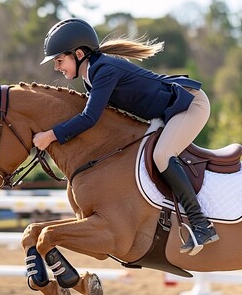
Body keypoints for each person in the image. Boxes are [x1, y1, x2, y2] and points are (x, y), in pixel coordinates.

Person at [34, 18, 219, 256]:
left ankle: (201, 224)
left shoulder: (104, 71)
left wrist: (50, 135)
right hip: (165, 113)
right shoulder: (92, 76)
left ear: (79, 54)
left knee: (162, 155)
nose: (56, 67)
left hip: (190, 105)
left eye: (59, 60)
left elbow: (89, 118)